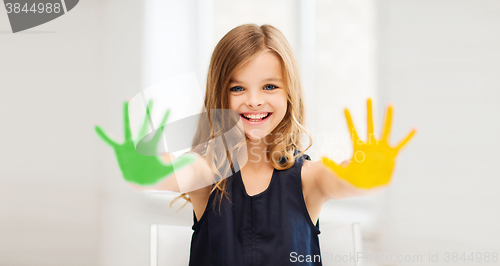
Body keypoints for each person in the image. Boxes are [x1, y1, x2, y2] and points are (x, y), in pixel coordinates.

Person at [95, 23, 416, 266]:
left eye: (269, 86)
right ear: (219, 94)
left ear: (289, 94)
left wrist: (363, 175)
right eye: (237, 88)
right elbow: (175, 173)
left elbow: (340, 181)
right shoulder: (207, 172)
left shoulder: (308, 179)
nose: (253, 101)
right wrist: (146, 171)